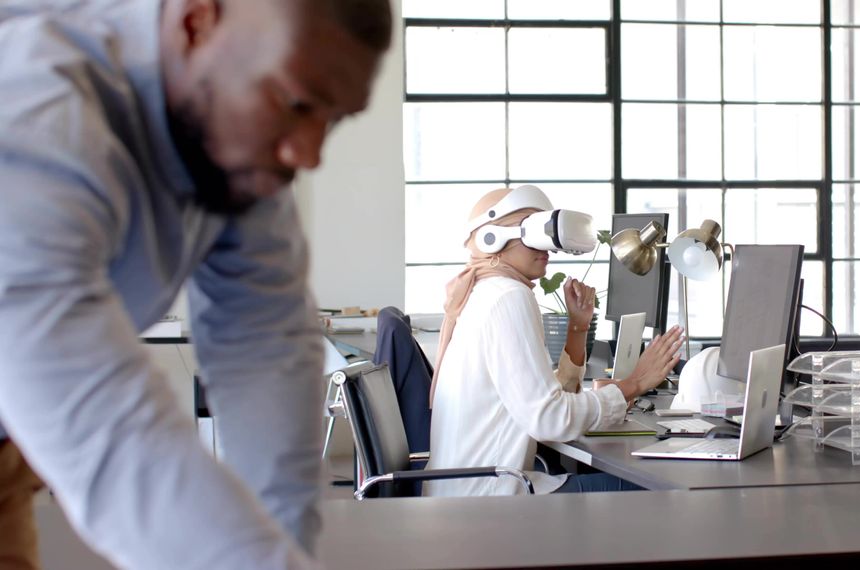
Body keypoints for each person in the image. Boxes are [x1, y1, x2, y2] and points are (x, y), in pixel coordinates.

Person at [0, 0, 390, 567]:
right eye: (295, 102)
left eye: (332, 119)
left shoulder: (237, 150)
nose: (306, 153)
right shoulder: (35, 108)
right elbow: (108, 438)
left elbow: (265, 352)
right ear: (194, 23)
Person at [424, 187, 684, 496]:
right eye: (531, 231)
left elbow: (541, 400)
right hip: (491, 501)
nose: (545, 246)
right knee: (662, 488)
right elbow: (548, 419)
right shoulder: (508, 296)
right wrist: (635, 383)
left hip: (469, 492)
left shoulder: (485, 291)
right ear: (491, 238)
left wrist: (577, 328)